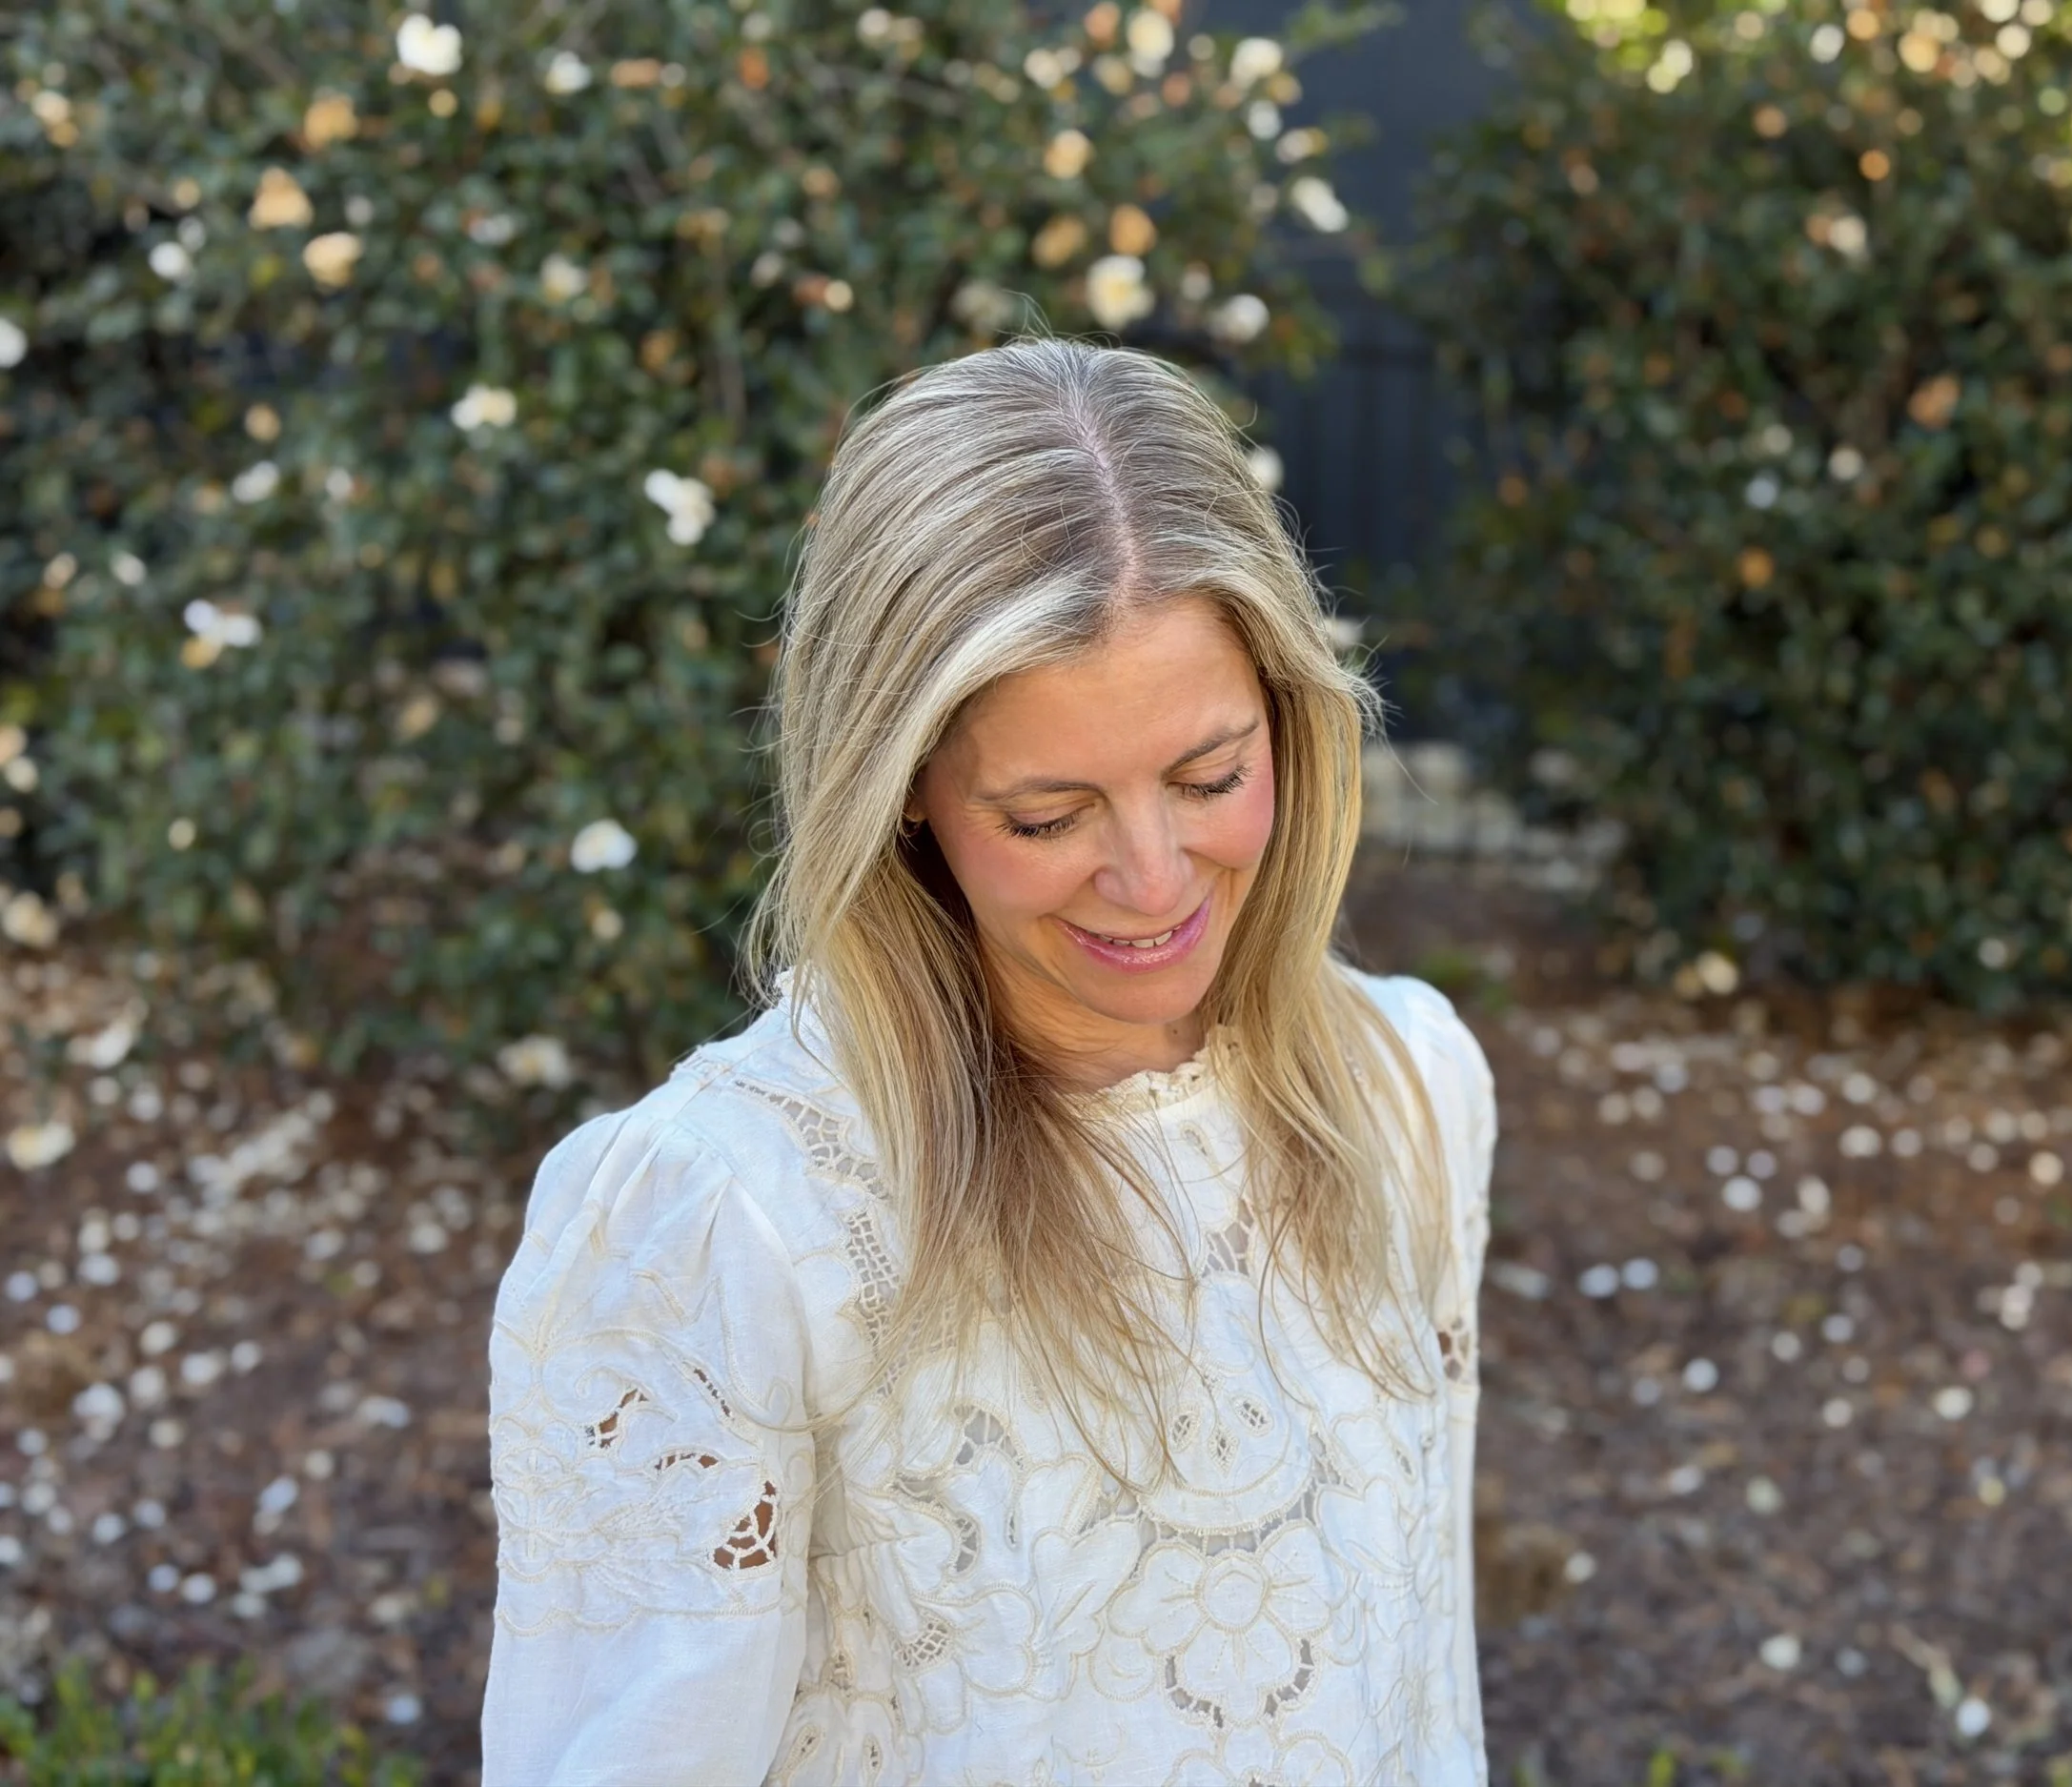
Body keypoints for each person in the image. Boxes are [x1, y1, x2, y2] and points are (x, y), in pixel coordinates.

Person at [480, 337, 1497, 1785]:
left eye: (1210, 777)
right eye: (1046, 814)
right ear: (901, 801)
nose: (1153, 879)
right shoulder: (729, 1219)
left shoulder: (1410, 1090)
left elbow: (1416, 1685)